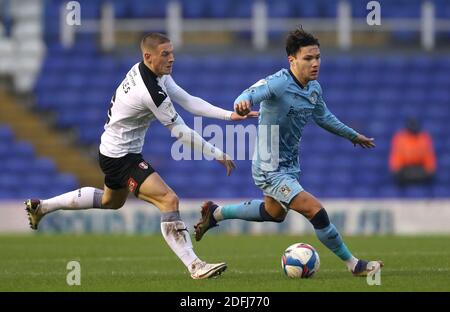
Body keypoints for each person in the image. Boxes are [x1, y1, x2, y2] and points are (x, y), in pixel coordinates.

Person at [24, 32, 257, 280]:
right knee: (169, 200)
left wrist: (228, 116)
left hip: (113, 151)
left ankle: (43, 207)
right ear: (148, 56)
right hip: (122, 157)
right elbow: (181, 133)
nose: (172, 59)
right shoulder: (150, 92)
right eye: (165, 54)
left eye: (172, 52)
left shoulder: (152, 73)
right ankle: (195, 266)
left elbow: (188, 100)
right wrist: (217, 153)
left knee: (111, 202)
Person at [194, 27, 383, 277]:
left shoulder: (314, 89)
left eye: (317, 58)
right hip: (269, 167)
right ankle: (354, 265)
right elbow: (250, 93)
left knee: (273, 214)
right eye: (308, 58)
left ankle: (215, 213)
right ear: (292, 60)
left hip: (289, 165)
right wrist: (241, 102)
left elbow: (324, 116)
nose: (315, 63)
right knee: (316, 210)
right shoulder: (279, 82)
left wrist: (352, 135)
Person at [389, 117, 436, 186]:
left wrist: (429, 170)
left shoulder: (424, 137)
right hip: (405, 169)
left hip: (420, 168)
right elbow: (396, 156)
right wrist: (397, 170)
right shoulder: (400, 138)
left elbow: (429, 156)